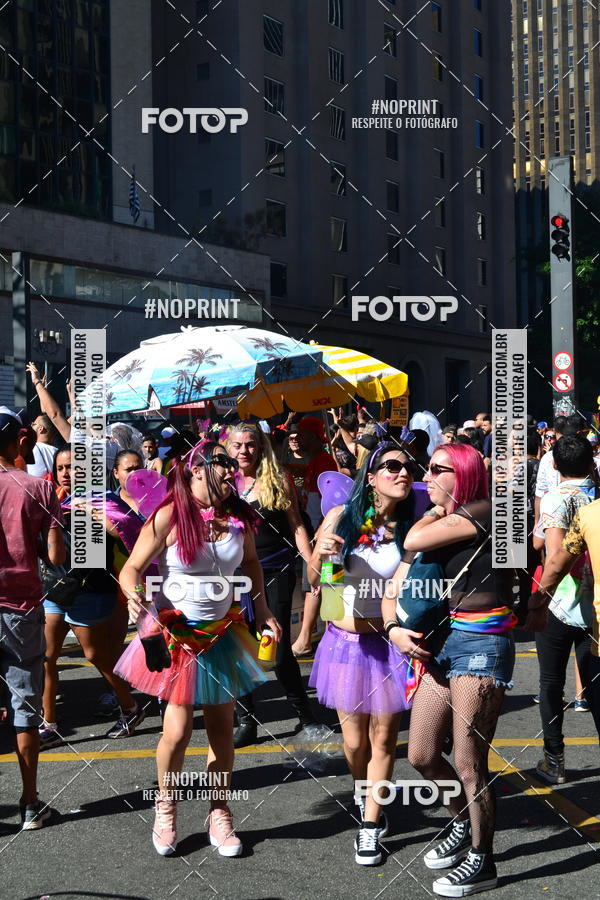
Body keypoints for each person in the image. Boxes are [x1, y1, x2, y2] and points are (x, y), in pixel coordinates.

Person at [117, 440, 281, 857]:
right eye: (222, 462)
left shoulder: (239, 518)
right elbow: (131, 567)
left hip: (222, 635)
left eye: (234, 464)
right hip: (177, 636)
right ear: (194, 470)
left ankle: (220, 811)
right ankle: (166, 806)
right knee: (177, 730)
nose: (232, 469)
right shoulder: (171, 514)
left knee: (222, 730)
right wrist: (135, 596)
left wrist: (261, 607)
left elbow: (250, 564)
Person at [390, 443, 515, 897]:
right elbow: (400, 579)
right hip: (444, 643)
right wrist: (392, 627)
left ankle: (484, 860)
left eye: (437, 468)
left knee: (469, 762)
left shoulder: (485, 509)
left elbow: (412, 542)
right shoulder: (449, 517)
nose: (426, 474)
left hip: (482, 644)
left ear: (461, 473)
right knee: (422, 754)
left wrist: (427, 513)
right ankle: (462, 822)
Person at [307, 442, 415, 866]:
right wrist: (322, 554)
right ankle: (365, 789)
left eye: (407, 467)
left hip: (388, 644)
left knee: (383, 738)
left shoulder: (412, 528)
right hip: (345, 644)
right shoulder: (341, 519)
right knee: (354, 744)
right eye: (391, 466)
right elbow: (315, 580)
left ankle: (370, 825)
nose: (401, 472)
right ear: (370, 478)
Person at [40, 447, 146, 748]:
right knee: (47, 656)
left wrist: (93, 513)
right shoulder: (52, 497)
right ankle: (50, 723)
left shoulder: (102, 499)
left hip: (91, 588)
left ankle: (130, 708)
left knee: (95, 655)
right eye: (61, 468)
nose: (66, 474)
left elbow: (125, 533)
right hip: (56, 587)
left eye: (73, 467)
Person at [226, 423, 316, 746]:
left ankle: (305, 715)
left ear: (260, 447)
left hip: (275, 569)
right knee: (237, 650)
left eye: (250, 445)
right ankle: (246, 722)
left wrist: (310, 563)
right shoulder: (223, 482)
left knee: (276, 649)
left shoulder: (277, 479)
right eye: (237, 445)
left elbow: (296, 525)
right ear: (228, 447)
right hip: (233, 575)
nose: (244, 452)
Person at [0, 410, 65, 829]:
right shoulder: (38, 488)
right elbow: (57, 557)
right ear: (17, 441)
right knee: (24, 705)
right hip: (20, 608)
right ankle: (29, 803)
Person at [525, 436, 599, 783]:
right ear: (591, 465)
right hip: (595, 607)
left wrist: (539, 599)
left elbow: (552, 552)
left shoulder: (556, 498)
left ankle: (554, 760)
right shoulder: (597, 496)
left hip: (561, 602)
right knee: (596, 685)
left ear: (554, 465)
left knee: (551, 681)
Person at [295, 417, 336, 533]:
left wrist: (321, 530)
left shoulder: (325, 462)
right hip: (310, 528)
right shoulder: (316, 460)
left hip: (318, 532)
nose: (296, 438)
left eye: (300, 434)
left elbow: (331, 502)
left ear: (312, 437)